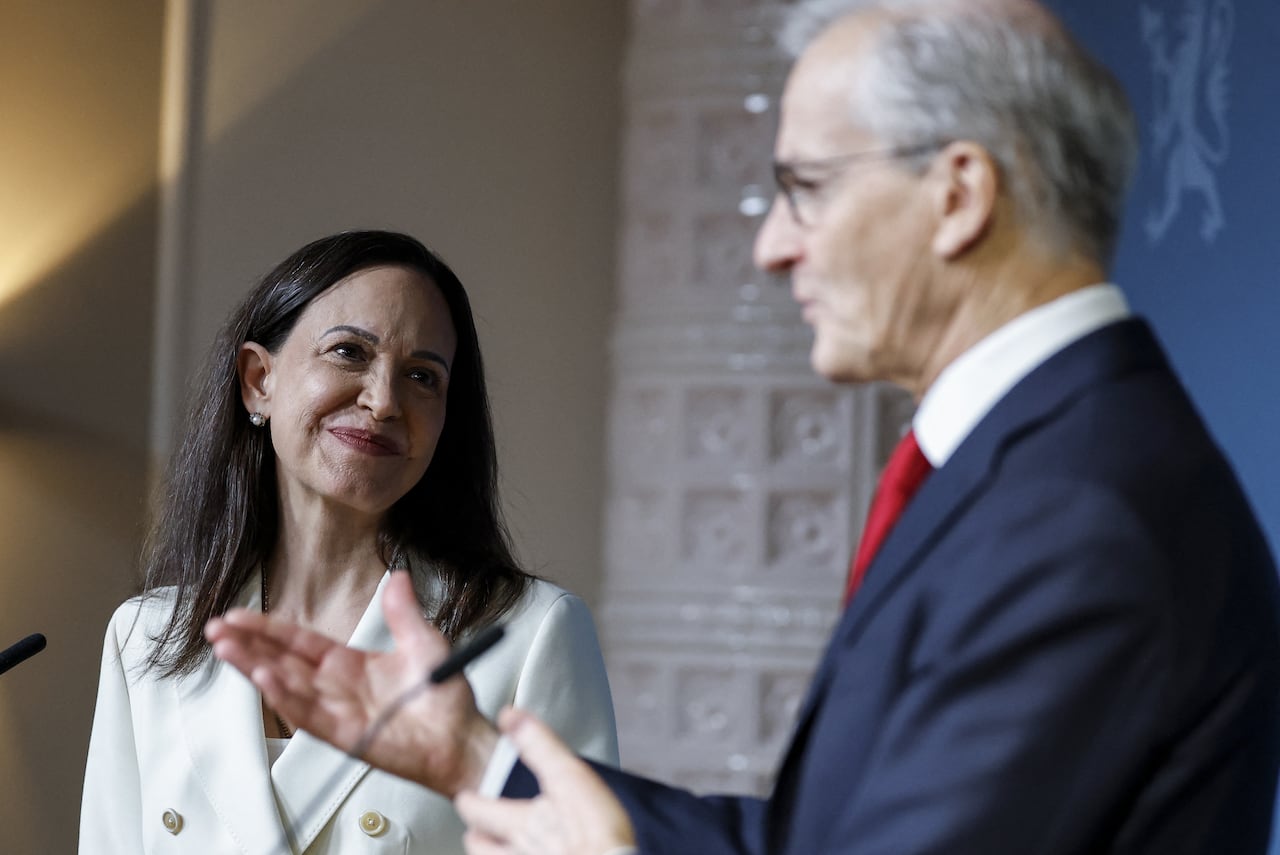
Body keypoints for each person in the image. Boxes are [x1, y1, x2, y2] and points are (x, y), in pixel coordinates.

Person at [207, 1, 1280, 853]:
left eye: (805, 188)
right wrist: (477, 762)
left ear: (957, 195)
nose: (772, 247)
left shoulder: (1076, 509)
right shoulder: (1044, 466)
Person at [79, 230, 618, 854]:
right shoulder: (146, 636)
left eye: (422, 376)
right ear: (259, 381)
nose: (384, 401)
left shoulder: (531, 634)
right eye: (348, 352)